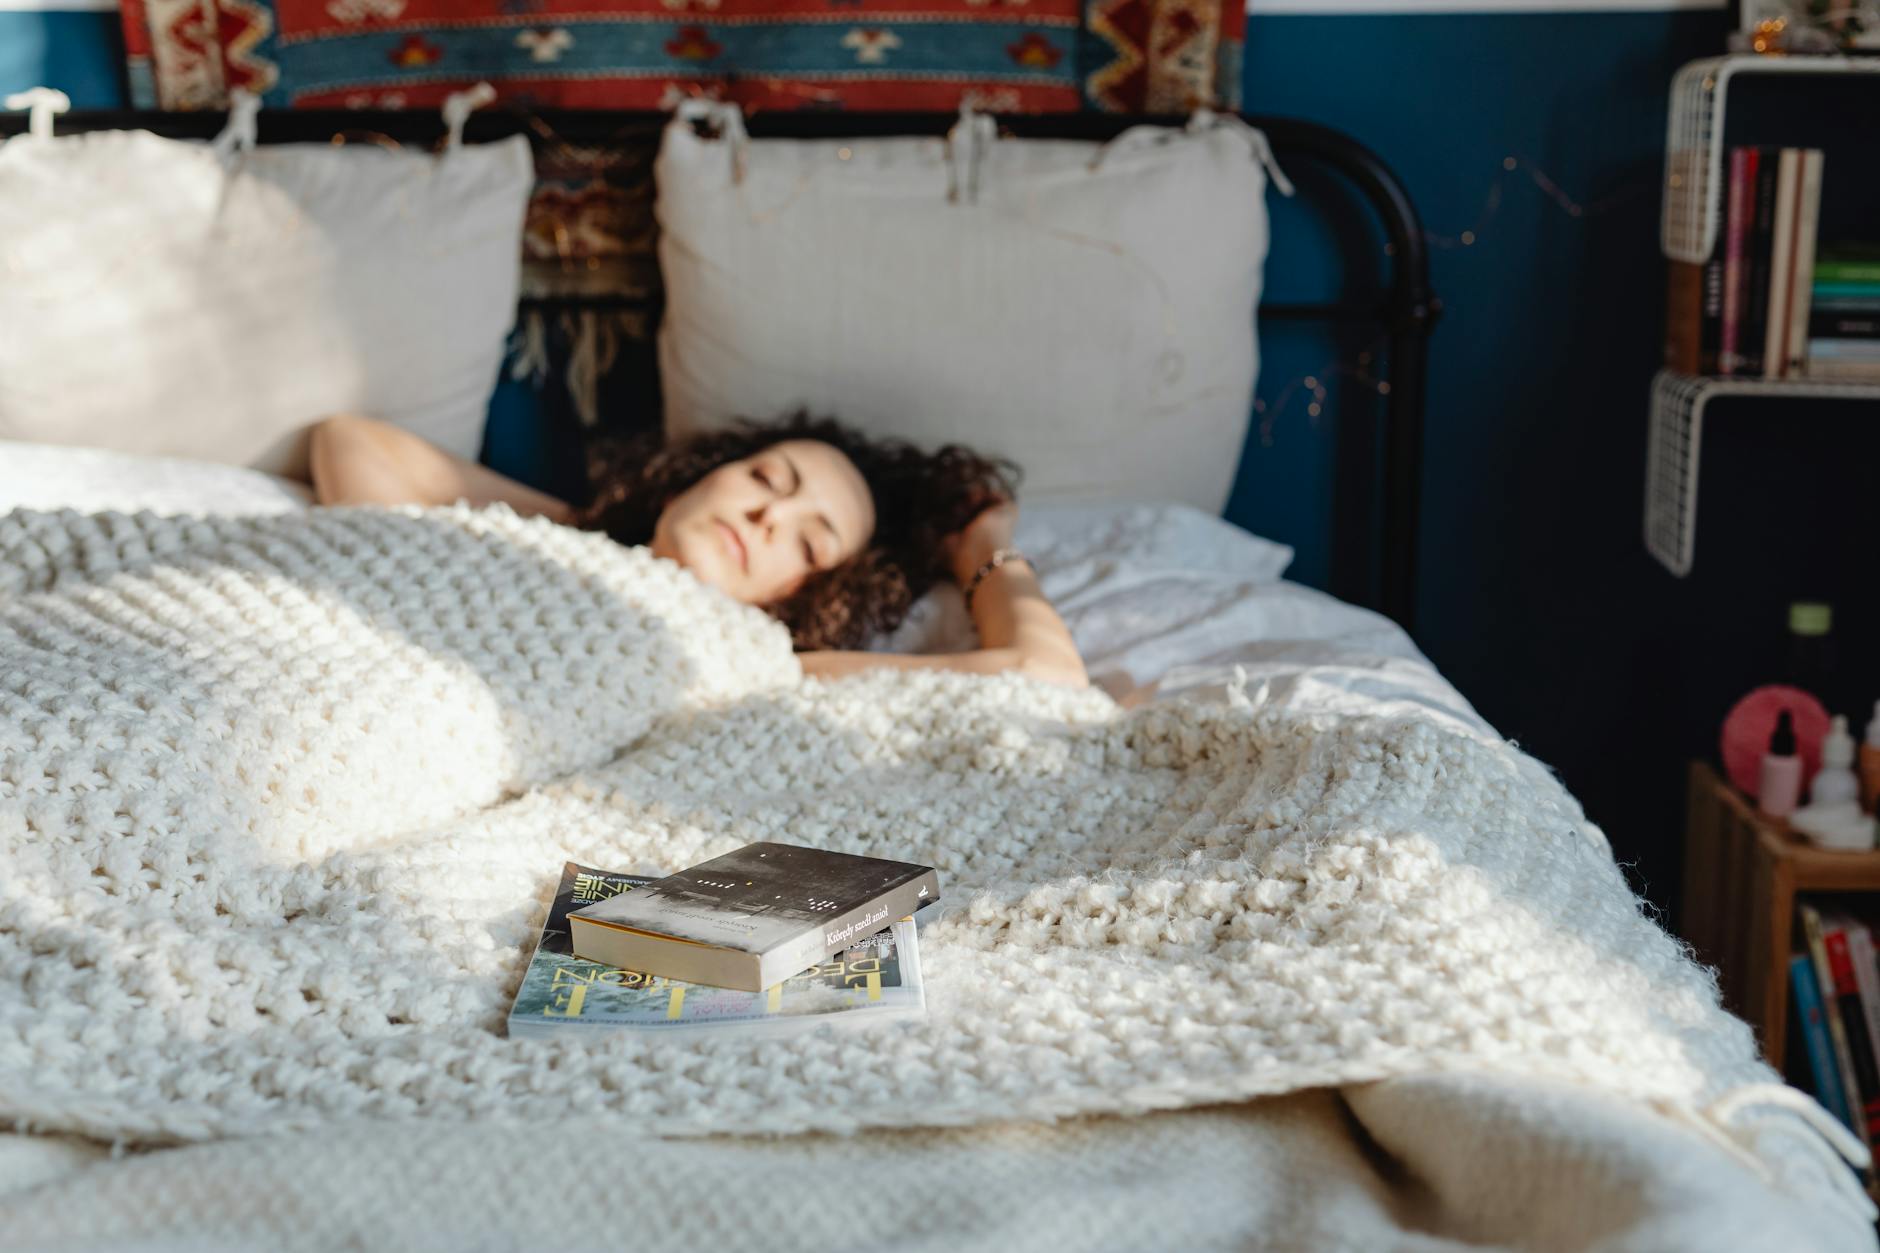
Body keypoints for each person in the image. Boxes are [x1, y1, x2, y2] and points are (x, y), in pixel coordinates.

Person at [305, 412, 1087, 687]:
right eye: (765, 477)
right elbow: (351, 441)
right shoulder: (545, 549)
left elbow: (1045, 675)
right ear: (693, 478)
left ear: (804, 596)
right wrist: (589, 531)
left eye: (810, 542)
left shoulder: (766, 664)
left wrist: (985, 544)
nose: (766, 515)